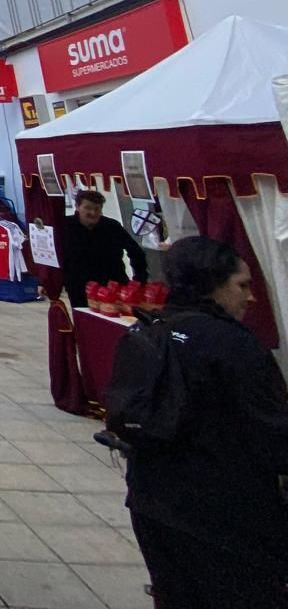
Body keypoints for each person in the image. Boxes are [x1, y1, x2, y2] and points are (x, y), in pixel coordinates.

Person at [122, 236, 288, 606]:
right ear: (213, 284)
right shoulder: (235, 345)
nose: (251, 297)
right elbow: (274, 438)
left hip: (150, 503)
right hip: (220, 517)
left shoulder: (149, 329)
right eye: (242, 285)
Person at [60, 188, 148, 309]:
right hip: (79, 287)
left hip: (114, 285)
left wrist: (139, 280)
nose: (93, 213)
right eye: (88, 208)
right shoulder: (64, 227)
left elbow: (136, 252)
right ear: (77, 206)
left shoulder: (112, 226)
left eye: (97, 209)